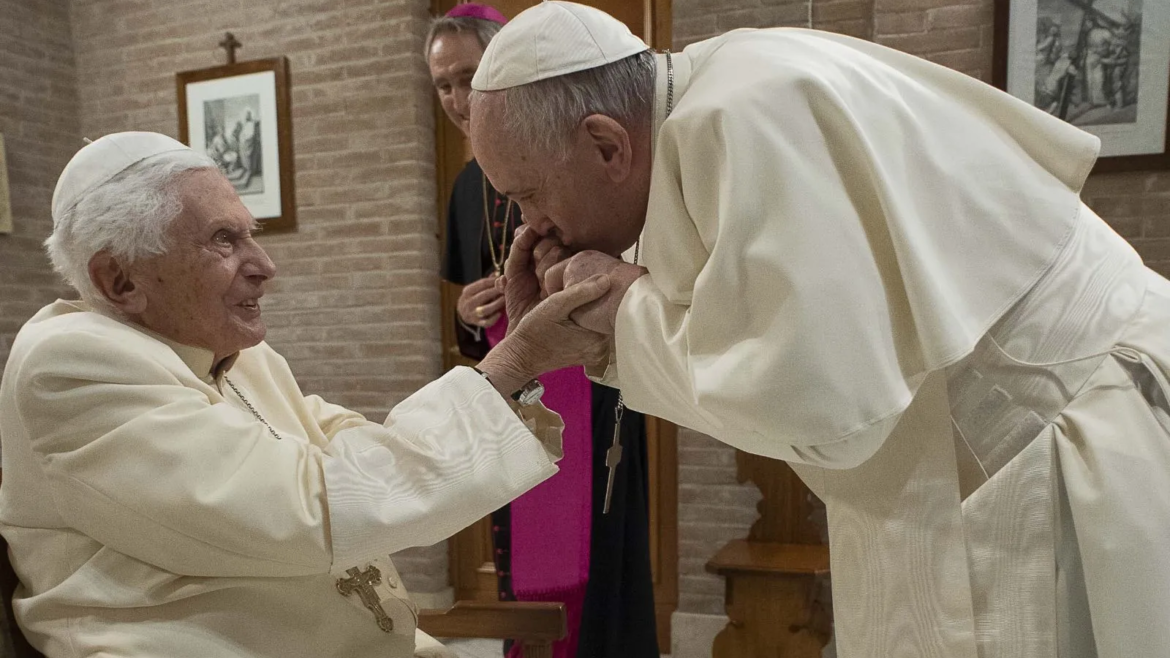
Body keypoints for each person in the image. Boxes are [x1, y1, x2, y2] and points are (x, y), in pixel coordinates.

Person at [468, 3, 1170, 657]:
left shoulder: (748, 116)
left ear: (607, 146)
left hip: (1053, 445)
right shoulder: (706, 108)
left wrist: (619, 320)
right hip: (967, 457)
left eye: (529, 194)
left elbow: (820, 408)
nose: (532, 226)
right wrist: (605, 309)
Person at [0, 131, 614, 658]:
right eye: (223, 241)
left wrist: (515, 368)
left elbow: (354, 449)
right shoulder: (71, 366)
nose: (265, 265)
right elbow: (308, 511)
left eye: (251, 234)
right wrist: (513, 361)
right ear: (120, 279)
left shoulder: (231, 353)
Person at [425, 6, 659, 658]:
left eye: (467, 77)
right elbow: (468, 319)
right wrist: (469, 316)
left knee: (599, 556)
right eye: (442, 84)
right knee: (522, 558)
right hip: (515, 382)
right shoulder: (466, 187)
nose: (455, 97)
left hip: (589, 374)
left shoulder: (572, 150)